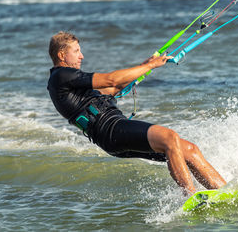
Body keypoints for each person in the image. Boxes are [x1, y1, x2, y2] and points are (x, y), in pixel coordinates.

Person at [47, 31, 226, 196]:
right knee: (169, 138)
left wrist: (146, 66)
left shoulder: (71, 84)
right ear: (62, 55)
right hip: (110, 130)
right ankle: (190, 197)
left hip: (113, 131)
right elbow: (111, 79)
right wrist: (150, 65)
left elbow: (115, 87)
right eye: (76, 51)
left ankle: (223, 192)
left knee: (188, 149)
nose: (81, 56)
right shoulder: (61, 76)